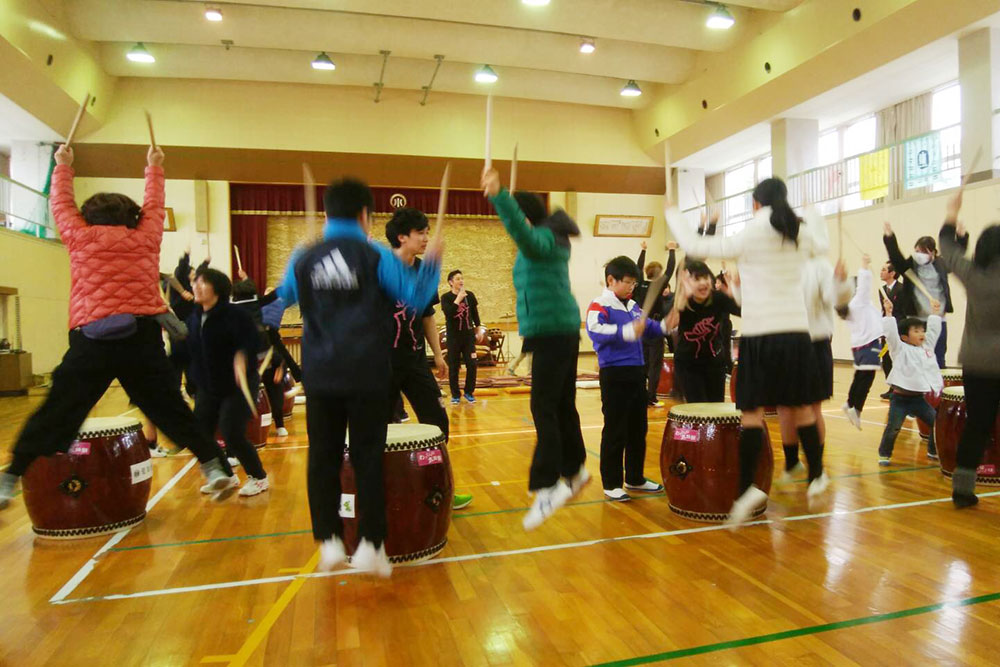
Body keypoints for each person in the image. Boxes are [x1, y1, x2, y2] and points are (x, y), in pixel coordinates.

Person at [0, 144, 233, 507]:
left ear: (88, 216)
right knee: (169, 407)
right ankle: (213, 467)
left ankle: (11, 476)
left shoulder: (77, 237)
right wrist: (154, 166)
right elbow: (155, 205)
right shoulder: (145, 238)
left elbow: (59, 204)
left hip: (91, 338)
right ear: (131, 217)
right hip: (139, 337)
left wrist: (63, 165)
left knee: (59, 408)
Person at [275, 178, 441, 576]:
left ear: (328, 213)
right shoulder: (376, 257)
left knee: (323, 457)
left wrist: (303, 261)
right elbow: (415, 301)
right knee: (368, 458)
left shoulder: (306, 256)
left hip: (320, 374)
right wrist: (432, 264)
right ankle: (370, 544)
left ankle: (329, 540)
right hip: (367, 373)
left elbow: (283, 296)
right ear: (366, 216)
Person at [665, 178, 829, 526]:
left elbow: (696, 244)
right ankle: (817, 474)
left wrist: (672, 213)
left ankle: (746, 489)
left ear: (755, 204)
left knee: (751, 415)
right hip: (796, 333)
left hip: (759, 335)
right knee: (802, 410)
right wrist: (814, 211)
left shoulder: (754, 231)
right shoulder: (798, 230)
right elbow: (822, 241)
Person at [482, 167, 588, 530]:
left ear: (524, 216)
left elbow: (524, 236)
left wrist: (499, 197)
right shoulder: (549, 239)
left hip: (554, 331)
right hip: (554, 330)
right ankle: (574, 469)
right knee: (559, 404)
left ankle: (547, 486)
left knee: (543, 406)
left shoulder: (543, 238)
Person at [384, 208, 473, 511]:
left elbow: (426, 316)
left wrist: (437, 353)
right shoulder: (380, 269)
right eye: (419, 232)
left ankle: (437, 486)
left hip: (414, 361)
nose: (425, 238)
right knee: (379, 430)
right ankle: (385, 494)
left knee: (437, 422)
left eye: (427, 232)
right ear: (401, 237)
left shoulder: (422, 269)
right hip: (380, 363)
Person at [936, 191, 1000, 508]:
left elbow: (946, 252)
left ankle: (962, 490)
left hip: (976, 364)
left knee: (977, 426)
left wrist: (951, 214)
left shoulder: (974, 275)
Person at [586, 256, 666, 501]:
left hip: (636, 372)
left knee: (637, 428)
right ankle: (611, 483)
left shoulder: (632, 306)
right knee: (615, 429)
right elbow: (595, 331)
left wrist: (665, 326)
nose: (632, 287)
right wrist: (625, 331)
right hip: (614, 373)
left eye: (634, 283)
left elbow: (649, 326)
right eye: (628, 282)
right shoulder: (599, 304)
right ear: (611, 280)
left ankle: (635, 478)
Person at [186, 268, 269, 496]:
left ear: (218, 288)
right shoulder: (194, 317)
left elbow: (255, 341)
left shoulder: (236, 315)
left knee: (231, 432)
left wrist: (242, 355)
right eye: (195, 282)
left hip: (238, 384)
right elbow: (191, 351)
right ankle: (227, 476)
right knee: (201, 433)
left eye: (203, 282)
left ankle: (259, 477)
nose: (196, 286)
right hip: (208, 385)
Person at [878, 298, 942, 465]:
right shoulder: (899, 349)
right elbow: (891, 335)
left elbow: (934, 331)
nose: (922, 334)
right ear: (905, 337)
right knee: (893, 428)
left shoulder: (926, 348)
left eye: (922, 330)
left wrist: (935, 313)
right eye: (916, 331)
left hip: (918, 400)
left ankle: (933, 451)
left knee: (937, 423)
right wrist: (889, 313)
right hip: (900, 399)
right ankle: (884, 454)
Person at [668, 259, 741, 404]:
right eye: (696, 279)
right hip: (688, 365)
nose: (703, 283)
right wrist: (681, 300)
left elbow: (744, 311)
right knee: (698, 408)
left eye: (705, 277)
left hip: (714, 363)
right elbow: (670, 325)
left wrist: (736, 292)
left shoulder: (718, 298)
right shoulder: (682, 302)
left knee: (715, 410)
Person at [883, 223, 954, 368]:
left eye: (922, 251)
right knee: (916, 356)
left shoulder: (941, 264)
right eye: (916, 251)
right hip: (916, 320)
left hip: (938, 318)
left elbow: (956, 259)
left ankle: (936, 389)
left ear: (933, 252)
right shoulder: (912, 264)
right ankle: (916, 389)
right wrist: (890, 238)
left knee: (938, 357)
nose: (918, 254)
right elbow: (896, 258)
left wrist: (961, 236)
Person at [840, 255, 884, 430]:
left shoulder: (849, 306)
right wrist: (864, 266)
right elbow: (865, 286)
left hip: (858, 346)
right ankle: (856, 409)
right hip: (869, 344)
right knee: (868, 378)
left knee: (860, 375)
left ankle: (849, 403)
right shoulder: (859, 301)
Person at [634, 241, 678, 407]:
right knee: (655, 365)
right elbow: (670, 269)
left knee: (643, 363)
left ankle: (641, 395)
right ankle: (651, 397)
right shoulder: (657, 286)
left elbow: (638, 268)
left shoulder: (640, 285)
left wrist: (643, 249)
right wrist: (672, 250)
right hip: (654, 328)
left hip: (641, 328)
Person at [440, 270, 481, 404]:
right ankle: (455, 395)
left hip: (468, 336)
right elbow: (449, 313)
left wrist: (478, 328)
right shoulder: (446, 297)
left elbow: (474, 314)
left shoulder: (470, 295)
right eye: (457, 279)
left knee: (472, 364)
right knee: (454, 366)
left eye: (462, 278)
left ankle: (469, 392)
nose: (461, 281)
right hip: (453, 337)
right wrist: (458, 299)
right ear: (451, 282)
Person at [878, 261, 903, 398]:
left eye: (884, 269)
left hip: (898, 329)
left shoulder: (901, 289)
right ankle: (891, 387)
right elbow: (883, 310)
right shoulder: (881, 290)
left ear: (892, 273)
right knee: (886, 359)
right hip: (887, 329)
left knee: (897, 358)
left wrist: (898, 328)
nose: (881, 272)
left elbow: (902, 311)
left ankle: (900, 387)